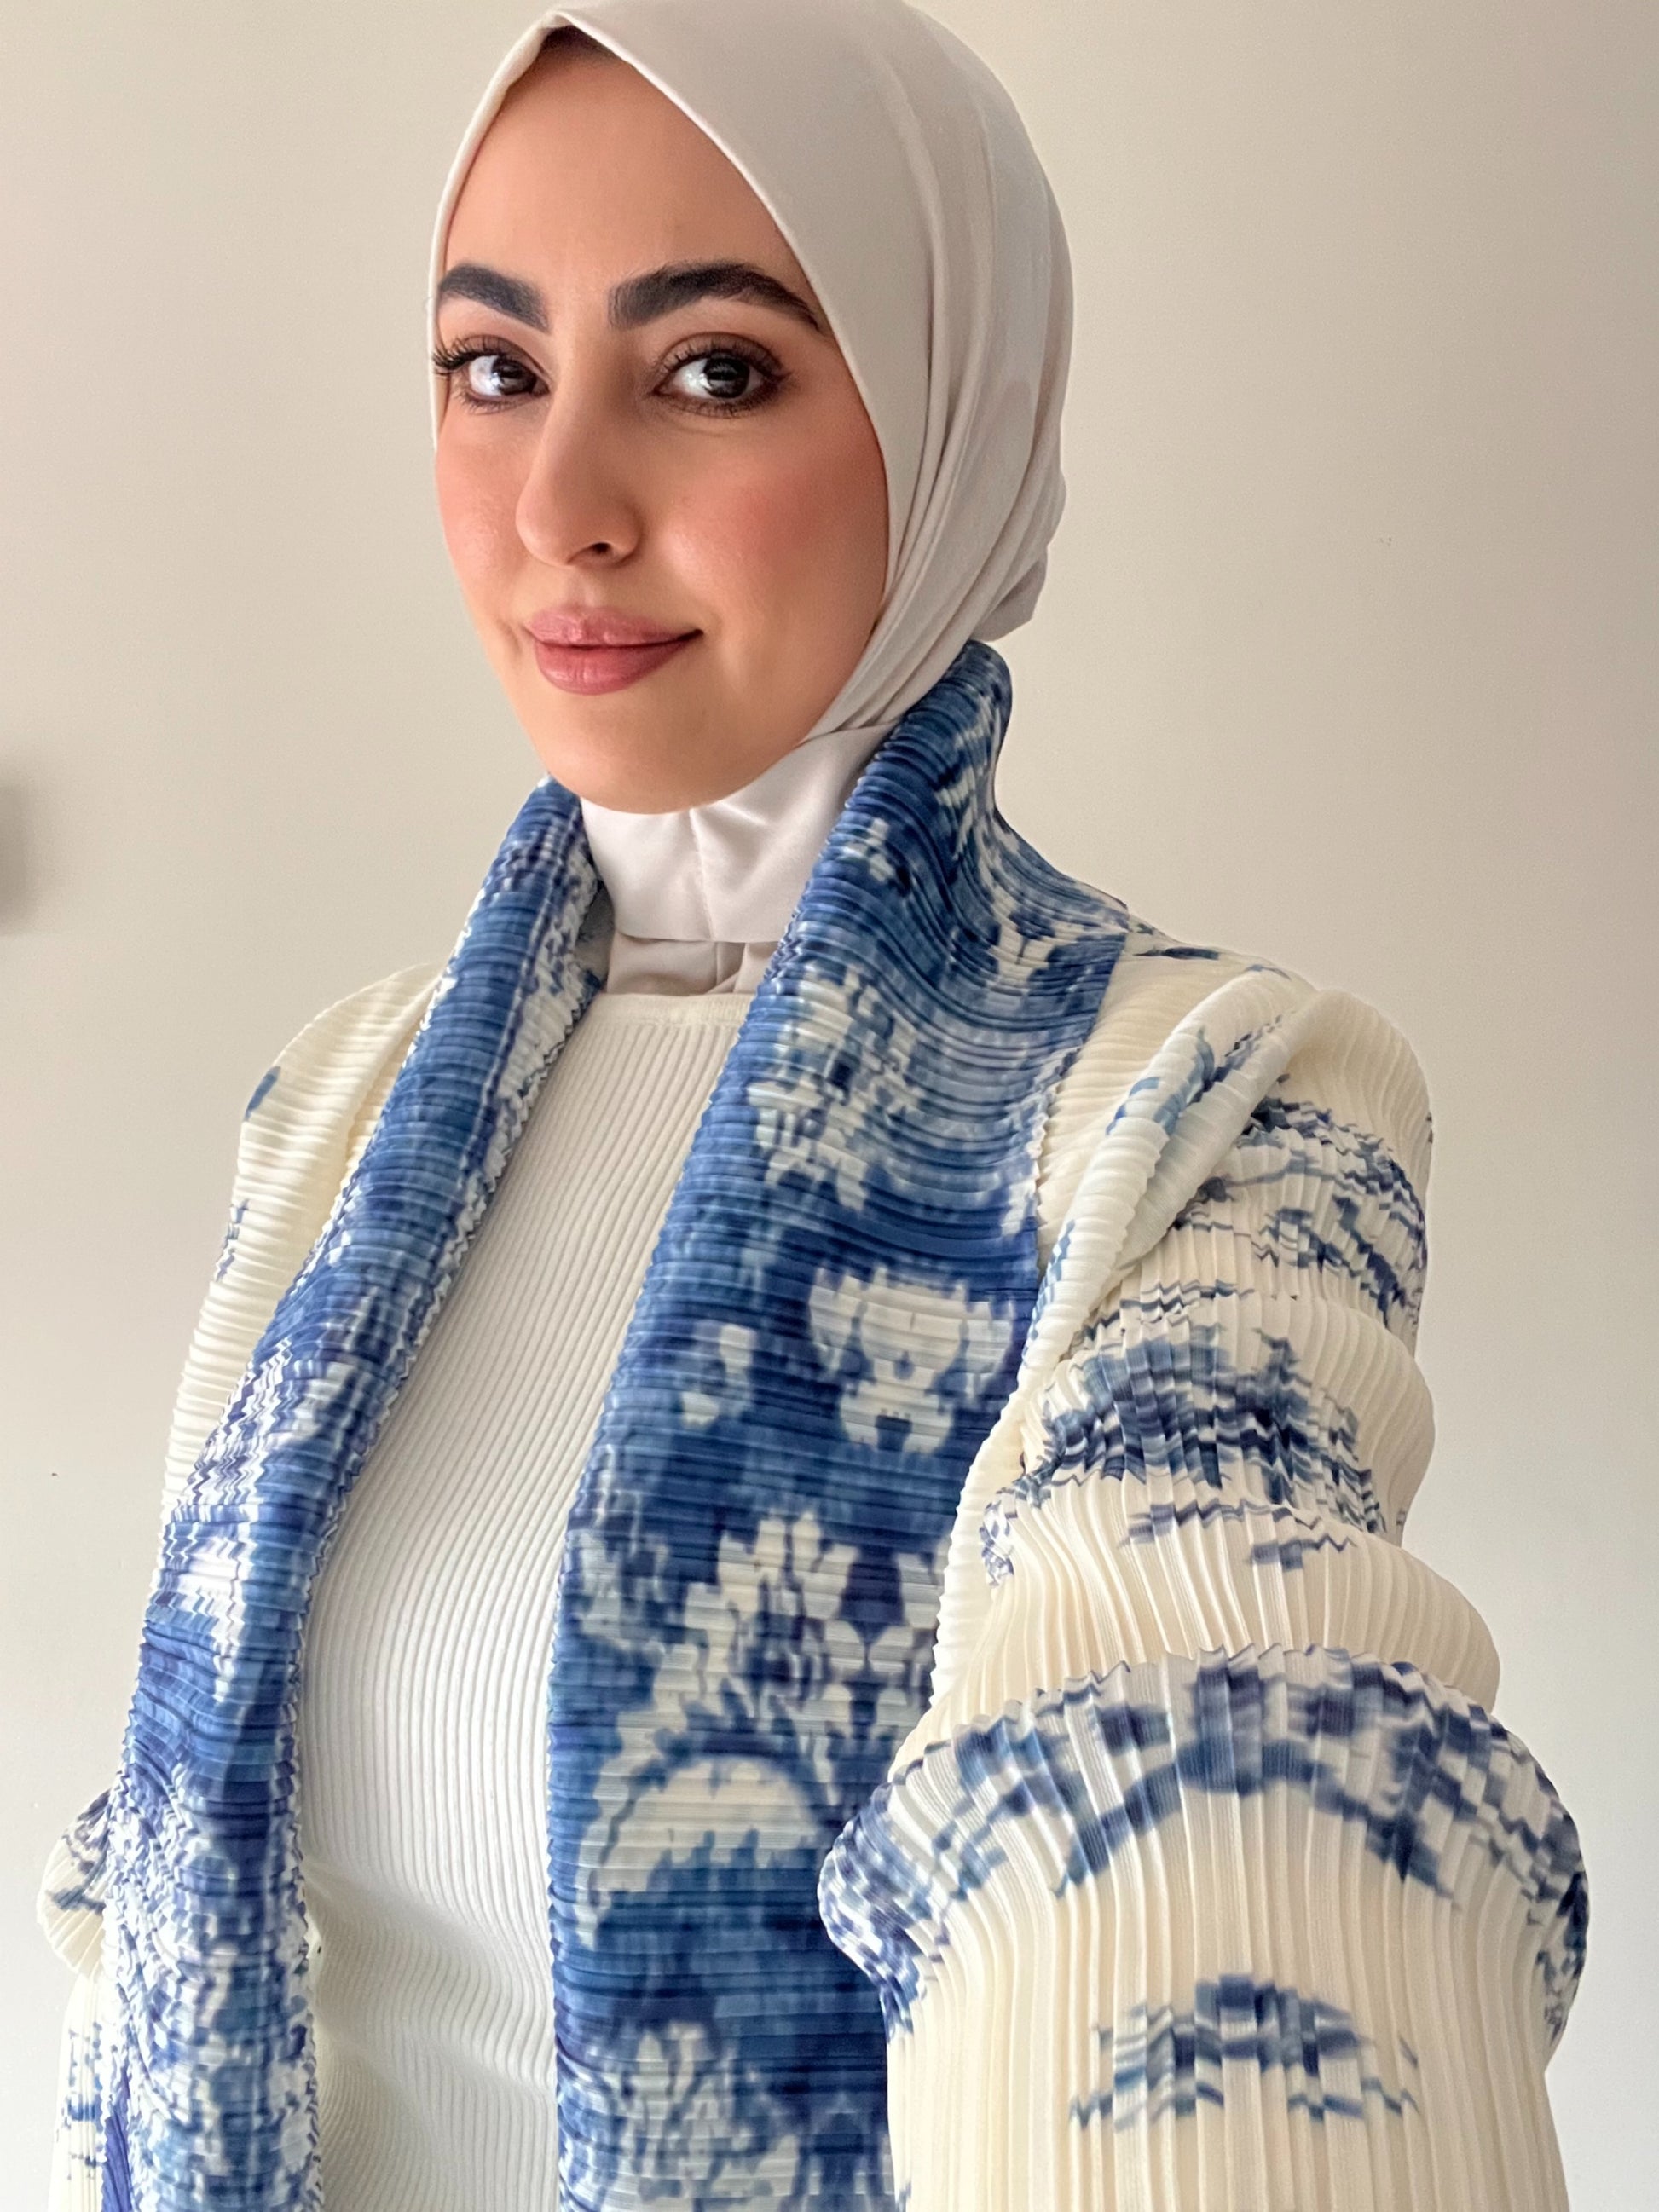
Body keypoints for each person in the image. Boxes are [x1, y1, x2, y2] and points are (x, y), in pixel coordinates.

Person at [38, 3, 1586, 2208]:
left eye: (712, 372)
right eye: (492, 368)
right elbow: (165, 1925)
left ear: (955, 423)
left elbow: (1202, 1826)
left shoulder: (1197, 1107)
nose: (559, 508)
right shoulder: (340, 1108)